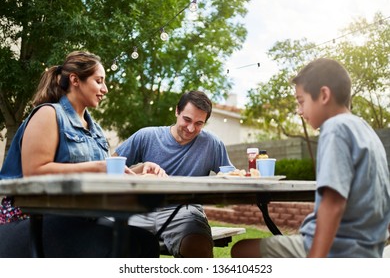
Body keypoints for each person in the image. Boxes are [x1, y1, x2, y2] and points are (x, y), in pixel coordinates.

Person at [0, 51, 163, 257]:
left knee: (146, 242)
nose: (105, 89)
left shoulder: (94, 128)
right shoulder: (48, 114)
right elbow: (34, 172)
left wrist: (136, 170)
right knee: (121, 247)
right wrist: (100, 167)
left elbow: (104, 171)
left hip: (76, 219)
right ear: (75, 80)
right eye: (99, 81)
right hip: (30, 220)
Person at [231, 58, 390, 258]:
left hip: (341, 250)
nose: (299, 111)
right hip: (368, 247)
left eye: (301, 101)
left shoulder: (335, 128)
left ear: (324, 95)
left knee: (242, 250)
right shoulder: (364, 129)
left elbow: (332, 204)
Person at [113, 90, 234, 257]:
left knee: (198, 246)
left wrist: (226, 177)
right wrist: (139, 171)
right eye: (187, 119)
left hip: (185, 212)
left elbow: (231, 175)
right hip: (140, 210)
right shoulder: (146, 136)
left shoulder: (212, 143)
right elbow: (109, 169)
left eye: (199, 123)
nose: (191, 128)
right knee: (108, 240)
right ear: (177, 111)